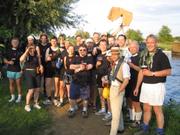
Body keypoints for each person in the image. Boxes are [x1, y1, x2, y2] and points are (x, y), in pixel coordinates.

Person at [134, 34, 171, 135]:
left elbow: (168, 71)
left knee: (157, 110)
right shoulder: (144, 55)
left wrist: (152, 73)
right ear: (146, 43)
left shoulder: (161, 55)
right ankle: (145, 129)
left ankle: (160, 132)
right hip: (146, 86)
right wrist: (137, 86)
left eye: (152, 42)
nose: (150, 44)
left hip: (157, 86)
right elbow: (141, 72)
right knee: (146, 108)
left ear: (156, 43)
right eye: (148, 42)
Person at [109, 47, 130, 135]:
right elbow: (115, 77)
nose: (113, 55)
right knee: (117, 111)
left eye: (116, 54)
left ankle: (113, 133)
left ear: (119, 54)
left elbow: (126, 80)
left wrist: (119, 91)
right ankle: (120, 128)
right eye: (112, 54)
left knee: (115, 115)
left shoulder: (124, 65)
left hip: (118, 89)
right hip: (113, 88)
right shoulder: (115, 63)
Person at [68, 45, 93, 118]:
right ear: (78, 51)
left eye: (84, 50)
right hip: (75, 80)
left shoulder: (89, 58)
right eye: (80, 50)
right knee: (72, 96)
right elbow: (71, 66)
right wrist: (81, 66)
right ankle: (72, 108)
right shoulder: (75, 58)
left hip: (85, 81)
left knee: (85, 97)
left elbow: (89, 66)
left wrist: (77, 69)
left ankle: (84, 110)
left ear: (86, 51)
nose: (82, 51)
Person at [20, 45, 43, 112]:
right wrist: (27, 50)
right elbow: (21, 59)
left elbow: (39, 63)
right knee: (31, 90)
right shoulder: (26, 55)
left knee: (37, 89)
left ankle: (35, 103)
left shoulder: (36, 55)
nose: (32, 49)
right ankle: (27, 105)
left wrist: (41, 66)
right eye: (30, 48)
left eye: (33, 48)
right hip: (28, 73)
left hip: (37, 73)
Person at [126, 41, 142, 127]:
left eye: (134, 47)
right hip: (128, 83)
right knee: (129, 100)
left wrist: (131, 65)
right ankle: (132, 118)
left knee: (136, 102)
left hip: (136, 83)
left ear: (138, 48)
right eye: (131, 48)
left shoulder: (140, 57)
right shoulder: (128, 57)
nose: (132, 49)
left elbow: (141, 70)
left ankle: (138, 121)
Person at [4, 37, 23, 103]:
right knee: (11, 84)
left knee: (19, 85)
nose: (15, 43)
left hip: (18, 70)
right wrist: (8, 62)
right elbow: (4, 59)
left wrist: (22, 69)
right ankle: (13, 97)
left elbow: (23, 61)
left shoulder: (20, 51)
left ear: (18, 43)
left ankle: (19, 97)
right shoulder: (8, 50)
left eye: (16, 42)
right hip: (10, 70)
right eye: (13, 42)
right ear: (11, 43)